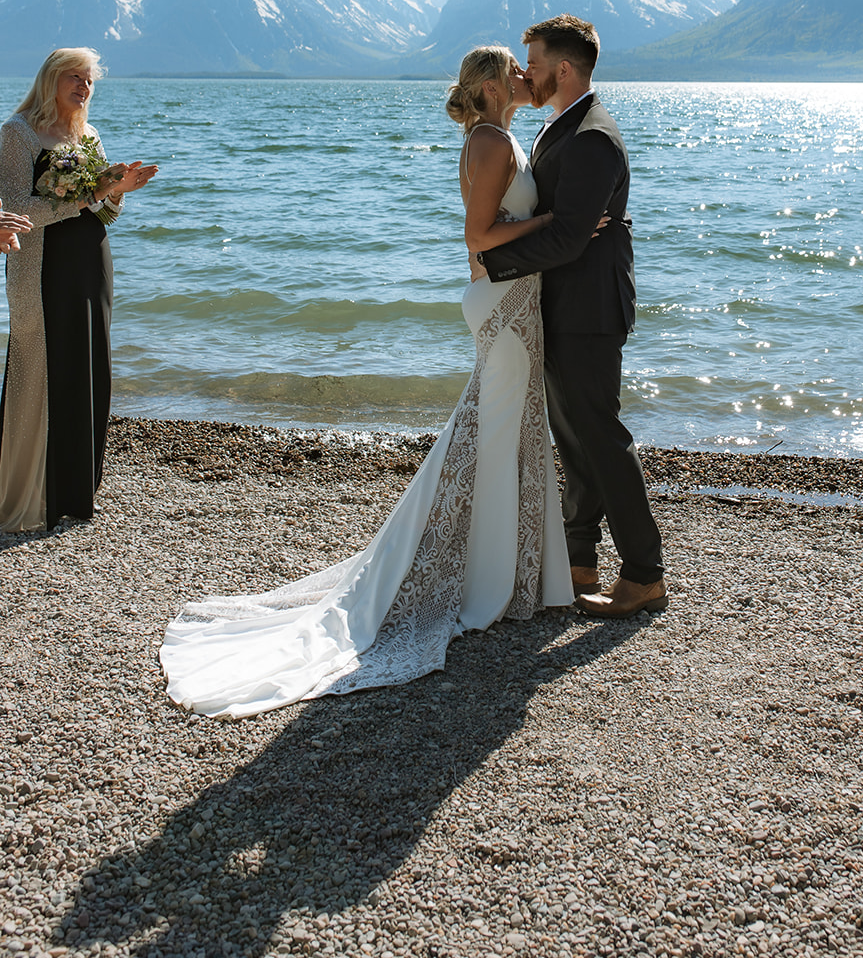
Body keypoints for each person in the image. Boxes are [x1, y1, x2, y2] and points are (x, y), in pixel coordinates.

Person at [160, 46, 573, 718]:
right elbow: (479, 236)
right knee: (489, 440)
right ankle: (484, 583)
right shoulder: (493, 141)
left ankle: (498, 575)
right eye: (518, 72)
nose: (530, 78)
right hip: (501, 305)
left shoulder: (492, 136)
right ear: (497, 83)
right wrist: (555, 223)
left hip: (507, 305)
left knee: (497, 437)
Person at [477, 15, 666, 618]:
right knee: (575, 439)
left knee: (602, 437)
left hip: (588, 309)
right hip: (560, 305)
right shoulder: (560, 127)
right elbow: (565, 227)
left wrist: (491, 258)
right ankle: (580, 559)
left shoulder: (591, 136)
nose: (524, 72)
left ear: (562, 69)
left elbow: (566, 240)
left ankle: (643, 572)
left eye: (531, 62)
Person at [0, 48, 157, 533]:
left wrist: (117, 192)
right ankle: (24, 499)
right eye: (76, 78)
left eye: (90, 82)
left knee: (89, 364)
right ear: (51, 78)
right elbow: (16, 210)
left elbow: (104, 214)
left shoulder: (88, 136)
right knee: (42, 363)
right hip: (40, 267)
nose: (84, 89)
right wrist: (88, 195)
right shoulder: (17, 134)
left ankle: (73, 494)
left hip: (91, 261)